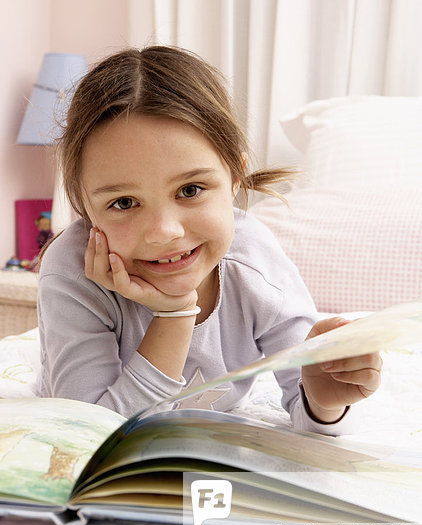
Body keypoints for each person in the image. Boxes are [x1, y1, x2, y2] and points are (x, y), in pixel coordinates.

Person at [37, 46, 382, 435]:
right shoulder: (73, 272)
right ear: (84, 208)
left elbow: (310, 405)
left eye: (190, 190)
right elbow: (86, 437)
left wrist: (323, 400)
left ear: (235, 175)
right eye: (124, 202)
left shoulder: (253, 260)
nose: (165, 231)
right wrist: (173, 314)